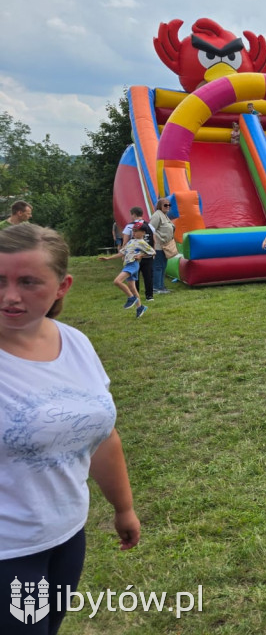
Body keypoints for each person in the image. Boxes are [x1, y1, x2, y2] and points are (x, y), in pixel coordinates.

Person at [0, 224, 141, 634]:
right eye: (0, 281)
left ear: (62, 286)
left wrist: (123, 507)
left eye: (28, 282)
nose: (10, 296)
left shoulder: (75, 343)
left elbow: (101, 435)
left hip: (65, 536)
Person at [100, 222, 155, 319]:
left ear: (143, 232)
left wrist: (141, 255)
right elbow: (121, 253)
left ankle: (131, 298)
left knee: (117, 281)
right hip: (128, 265)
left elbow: (152, 252)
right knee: (132, 288)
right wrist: (109, 258)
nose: (133, 233)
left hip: (132, 265)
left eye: (136, 231)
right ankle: (140, 307)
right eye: (133, 231)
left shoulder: (142, 243)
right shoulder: (130, 241)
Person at [121, 207, 155, 301]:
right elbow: (154, 239)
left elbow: (125, 241)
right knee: (148, 275)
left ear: (134, 215)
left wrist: (124, 254)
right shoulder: (150, 225)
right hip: (147, 254)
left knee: (134, 276)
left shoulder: (129, 226)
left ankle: (135, 295)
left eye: (131, 215)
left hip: (134, 256)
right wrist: (153, 252)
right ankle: (149, 296)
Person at [149, 198, 175, 294]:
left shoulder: (165, 216)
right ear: (160, 206)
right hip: (158, 246)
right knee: (158, 266)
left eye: (169, 205)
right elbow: (150, 229)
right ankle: (156, 288)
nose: (168, 207)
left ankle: (161, 286)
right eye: (165, 205)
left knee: (163, 266)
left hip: (165, 245)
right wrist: (154, 243)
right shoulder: (157, 215)